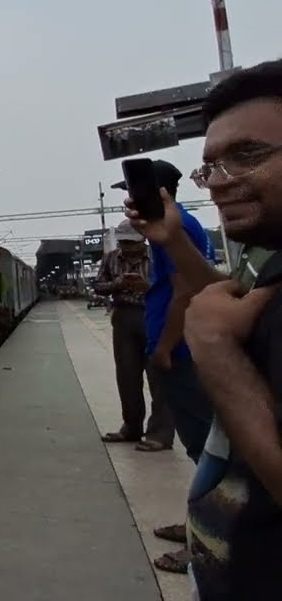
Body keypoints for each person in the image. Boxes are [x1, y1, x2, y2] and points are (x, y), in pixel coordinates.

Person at [130, 59, 282, 599]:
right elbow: (228, 293)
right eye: (210, 167)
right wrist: (172, 241)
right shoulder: (272, 264)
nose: (220, 182)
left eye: (248, 155)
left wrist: (214, 351)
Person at [117, 158, 217, 574]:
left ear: (161, 192)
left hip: (178, 350)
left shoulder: (181, 229)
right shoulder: (170, 231)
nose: (131, 196)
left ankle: (206, 545)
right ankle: (198, 524)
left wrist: (165, 348)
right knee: (201, 447)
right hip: (176, 345)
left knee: (204, 449)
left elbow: (185, 292)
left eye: (140, 189)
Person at [94, 219, 173, 451]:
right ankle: (131, 427)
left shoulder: (158, 256)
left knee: (157, 377)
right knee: (127, 376)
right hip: (124, 317)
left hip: (153, 315)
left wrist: (145, 286)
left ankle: (160, 433)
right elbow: (98, 285)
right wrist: (119, 283)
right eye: (124, 243)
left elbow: (173, 287)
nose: (127, 247)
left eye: (132, 243)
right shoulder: (111, 258)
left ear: (143, 240)